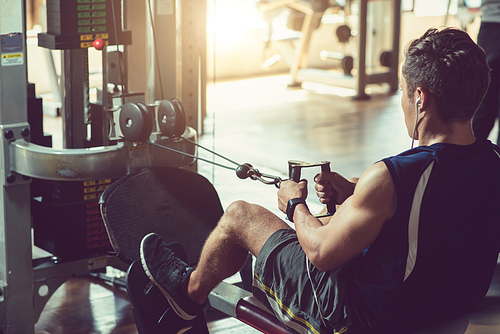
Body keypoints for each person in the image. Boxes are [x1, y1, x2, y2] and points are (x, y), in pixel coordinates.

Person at [139, 27, 500, 333]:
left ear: (420, 98)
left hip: (358, 319)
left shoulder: (391, 175)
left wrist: (295, 203)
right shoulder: (493, 163)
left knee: (241, 217)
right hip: (442, 315)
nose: (403, 102)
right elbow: (443, 206)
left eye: (405, 92)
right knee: (332, 223)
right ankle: (257, 275)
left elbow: (321, 253)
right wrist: (356, 192)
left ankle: (186, 295)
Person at [472, 0, 500, 144]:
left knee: (484, 100)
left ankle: (466, 160)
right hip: (492, 23)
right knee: (484, 99)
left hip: (491, 25)